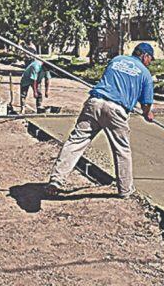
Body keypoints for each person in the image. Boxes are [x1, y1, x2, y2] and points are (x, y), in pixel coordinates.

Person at [46, 42, 155, 199]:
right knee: (121, 150)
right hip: (116, 110)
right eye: (150, 59)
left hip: (94, 103)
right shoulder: (145, 74)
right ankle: (125, 191)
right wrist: (147, 114)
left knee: (75, 142)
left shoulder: (117, 60)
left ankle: (56, 179)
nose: (150, 63)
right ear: (145, 56)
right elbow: (146, 103)